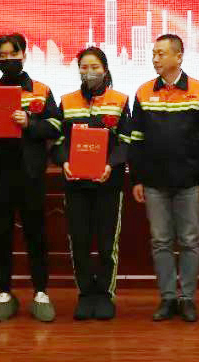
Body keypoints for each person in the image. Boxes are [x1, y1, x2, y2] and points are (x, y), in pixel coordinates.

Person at [129, 34, 199, 323]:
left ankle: (187, 298)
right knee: (160, 241)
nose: (155, 58)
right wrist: (136, 179)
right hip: (154, 183)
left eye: (161, 53)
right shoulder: (143, 93)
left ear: (178, 57)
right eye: (154, 53)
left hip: (189, 182)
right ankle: (168, 298)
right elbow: (136, 140)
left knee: (190, 241)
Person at [0, 33, 61, 323]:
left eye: (13, 54)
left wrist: (30, 122)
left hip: (31, 175)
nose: (8, 59)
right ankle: (3, 293)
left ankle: (41, 292)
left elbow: (55, 126)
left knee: (36, 234)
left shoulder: (41, 91)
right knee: (0, 234)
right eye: (2, 55)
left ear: (24, 54)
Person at [52, 46, 130, 321]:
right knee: (80, 241)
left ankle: (105, 294)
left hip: (108, 183)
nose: (89, 72)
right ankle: (85, 293)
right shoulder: (67, 101)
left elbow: (126, 141)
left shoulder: (120, 100)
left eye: (95, 67)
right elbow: (58, 141)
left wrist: (111, 165)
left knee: (108, 243)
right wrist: (64, 162)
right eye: (84, 67)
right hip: (76, 185)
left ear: (105, 70)